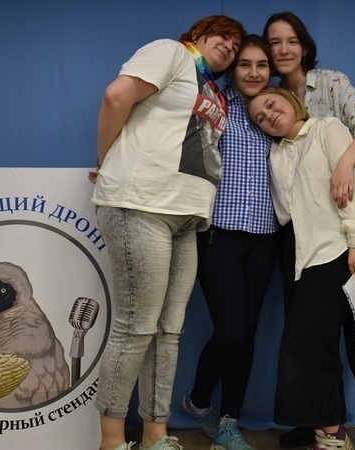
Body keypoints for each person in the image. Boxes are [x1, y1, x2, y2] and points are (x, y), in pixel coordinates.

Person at [89, 15, 245, 450]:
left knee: (168, 332)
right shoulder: (172, 52)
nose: (230, 48)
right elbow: (116, 96)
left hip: (187, 218)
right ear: (198, 34)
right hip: (141, 203)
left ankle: (156, 435)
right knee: (136, 327)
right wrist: (106, 161)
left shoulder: (212, 89)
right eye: (223, 36)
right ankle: (111, 441)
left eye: (237, 46)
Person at [263, 12, 355, 450]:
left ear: (304, 46)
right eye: (274, 42)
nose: (283, 49)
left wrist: (345, 162)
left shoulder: (330, 85)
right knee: (309, 333)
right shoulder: (266, 99)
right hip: (296, 235)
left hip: (340, 225)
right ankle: (315, 420)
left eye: (291, 40)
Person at [247, 86, 355, 450]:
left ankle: (333, 436)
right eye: (260, 118)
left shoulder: (326, 128)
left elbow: (350, 184)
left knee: (306, 344)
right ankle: (320, 429)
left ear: (287, 99)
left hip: (333, 247)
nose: (268, 115)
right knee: (312, 344)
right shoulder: (276, 152)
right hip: (296, 253)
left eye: (270, 104)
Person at [181, 35, 278, 450]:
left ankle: (228, 423)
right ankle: (199, 401)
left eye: (262, 65)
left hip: (266, 236)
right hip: (219, 233)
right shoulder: (215, 104)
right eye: (245, 64)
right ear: (232, 69)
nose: (254, 73)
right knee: (232, 331)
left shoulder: (278, 109)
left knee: (249, 331)